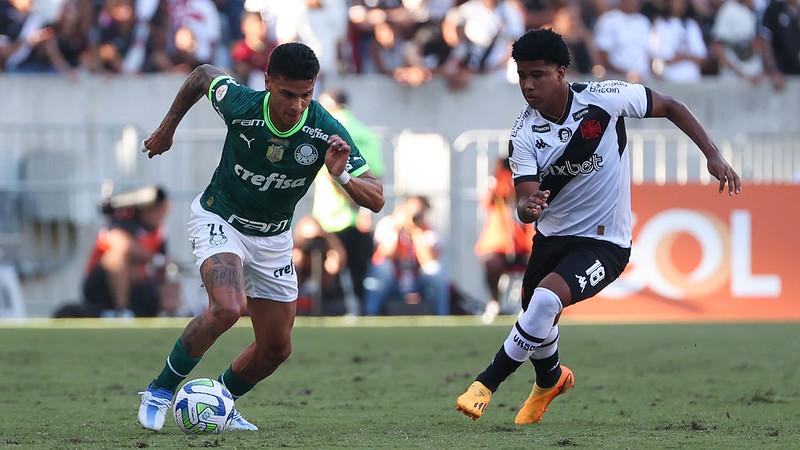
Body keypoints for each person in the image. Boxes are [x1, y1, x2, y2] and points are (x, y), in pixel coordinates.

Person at [455, 28, 741, 425]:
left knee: (542, 304)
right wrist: (529, 206)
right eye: (522, 76)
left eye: (537, 75)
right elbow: (524, 203)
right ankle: (550, 379)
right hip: (552, 240)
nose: (528, 85)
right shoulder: (523, 135)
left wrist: (712, 155)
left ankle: (485, 384)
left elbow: (672, 106)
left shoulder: (605, 99)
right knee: (536, 320)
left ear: (561, 72)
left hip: (605, 243)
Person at [137, 42, 384, 432]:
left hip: (273, 239)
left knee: (276, 348)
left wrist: (343, 176)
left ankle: (220, 399)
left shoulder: (324, 129)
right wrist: (168, 129)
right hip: (220, 218)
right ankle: (160, 390)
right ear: (268, 82)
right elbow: (203, 75)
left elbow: (377, 198)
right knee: (228, 307)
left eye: (306, 95)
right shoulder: (240, 104)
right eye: (287, 94)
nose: (296, 106)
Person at [312, 88, 384, 313]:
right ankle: (361, 312)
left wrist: (353, 199)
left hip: (333, 214)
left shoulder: (327, 128)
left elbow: (332, 173)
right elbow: (375, 176)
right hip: (361, 216)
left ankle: (332, 310)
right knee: (359, 270)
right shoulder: (365, 132)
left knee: (331, 268)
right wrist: (365, 208)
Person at [79, 185, 180, 317]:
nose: (160, 215)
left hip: (138, 282)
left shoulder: (159, 233)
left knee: (170, 273)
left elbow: (161, 263)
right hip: (100, 283)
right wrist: (154, 260)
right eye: (156, 210)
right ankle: (122, 310)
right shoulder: (122, 222)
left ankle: (170, 315)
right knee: (117, 258)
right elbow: (122, 244)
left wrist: (162, 265)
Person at [363, 195, 449, 316]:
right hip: (393, 280)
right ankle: (371, 313)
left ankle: (442, 316)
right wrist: (398, 227)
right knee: (382, 268)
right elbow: (385, 254)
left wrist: (416, 232)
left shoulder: (428, 229)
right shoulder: (388, 224)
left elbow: (428, 261)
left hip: (416, 280)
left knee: (436, 270)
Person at [474, 157, 534, 324]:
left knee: (539, 264)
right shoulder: (496, 189)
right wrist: (497, 182)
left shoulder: (528, 186)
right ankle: (495, 301)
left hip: (524, 246)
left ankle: (529, 305)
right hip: (500, 246)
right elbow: (486, 201)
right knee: (491, 263)